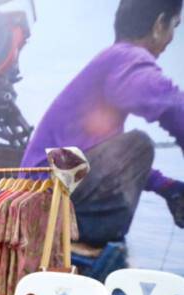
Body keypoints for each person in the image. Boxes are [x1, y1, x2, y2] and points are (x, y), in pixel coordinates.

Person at [21, 0, 184, 246]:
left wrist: (167, 187)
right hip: (45, 187)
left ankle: (84, 237)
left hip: (41, 182)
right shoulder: (127, 56)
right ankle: (81, 238)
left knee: (133, 149)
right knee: (140, 145)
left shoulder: (112, 60)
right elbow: (173, 106)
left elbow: (106, 160)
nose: (172, 37)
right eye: (174, 26)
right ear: (159, 24)